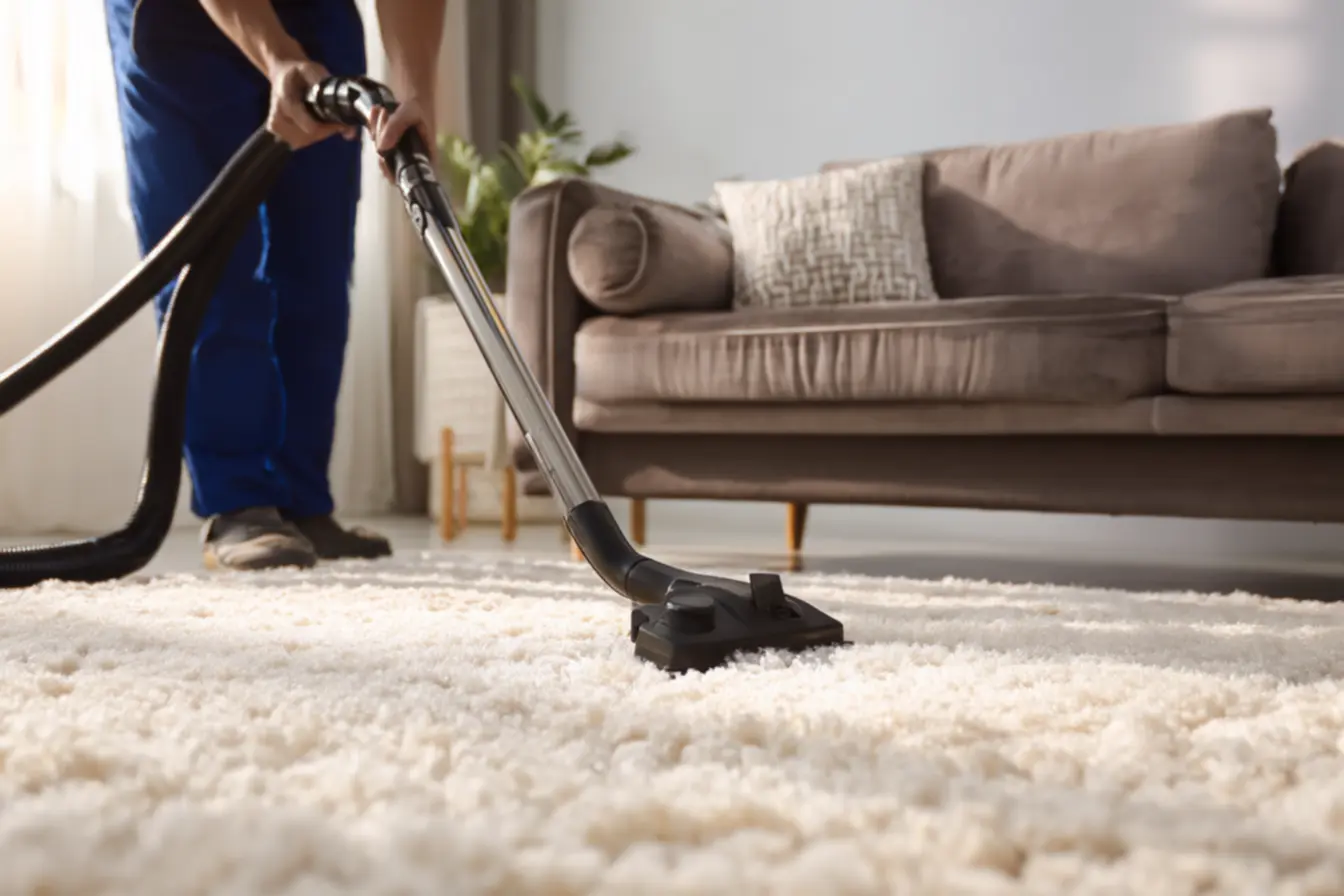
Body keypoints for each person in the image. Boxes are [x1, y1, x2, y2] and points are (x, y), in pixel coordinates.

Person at [103, 0, 445, 570]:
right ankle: (239, 502)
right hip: (175, 20)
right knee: (211, 266)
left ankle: (298, 501)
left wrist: (415, 97)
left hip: (317, 13)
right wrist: (276, 55)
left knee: (317, 261)